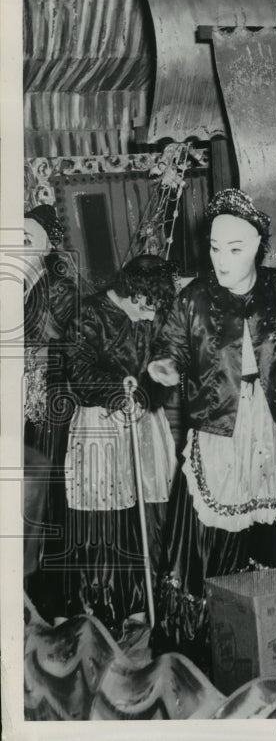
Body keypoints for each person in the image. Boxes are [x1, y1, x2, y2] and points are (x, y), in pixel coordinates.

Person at [148, 189, 276, 667]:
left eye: (234, 248)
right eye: (215, 247)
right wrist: (164, 366)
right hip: (220, 424)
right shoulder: (192, 298)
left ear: (257, 245)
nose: (221, 259)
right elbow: (170, 342)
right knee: (214, 523)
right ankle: (217, 641)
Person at [44, 256, 178, 630]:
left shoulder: (148, 317)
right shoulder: (88, 315)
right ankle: (96, 607)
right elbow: (81, 371)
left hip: (144, 425)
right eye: (148, 308)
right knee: (102, 521)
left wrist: (162, 376)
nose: (151, 318)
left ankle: (140, 602)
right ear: (133, 294)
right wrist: (117, 393)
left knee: (147, 514)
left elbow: (163, 356)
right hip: (101, 426)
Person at [22, 205, 78, 602]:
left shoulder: (58, 288)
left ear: (46, 247)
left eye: (26, 241)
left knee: (45, 496)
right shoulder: (23, 283)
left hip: (50, 410)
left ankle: (50, 593)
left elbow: (57, 348)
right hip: (27, 404)